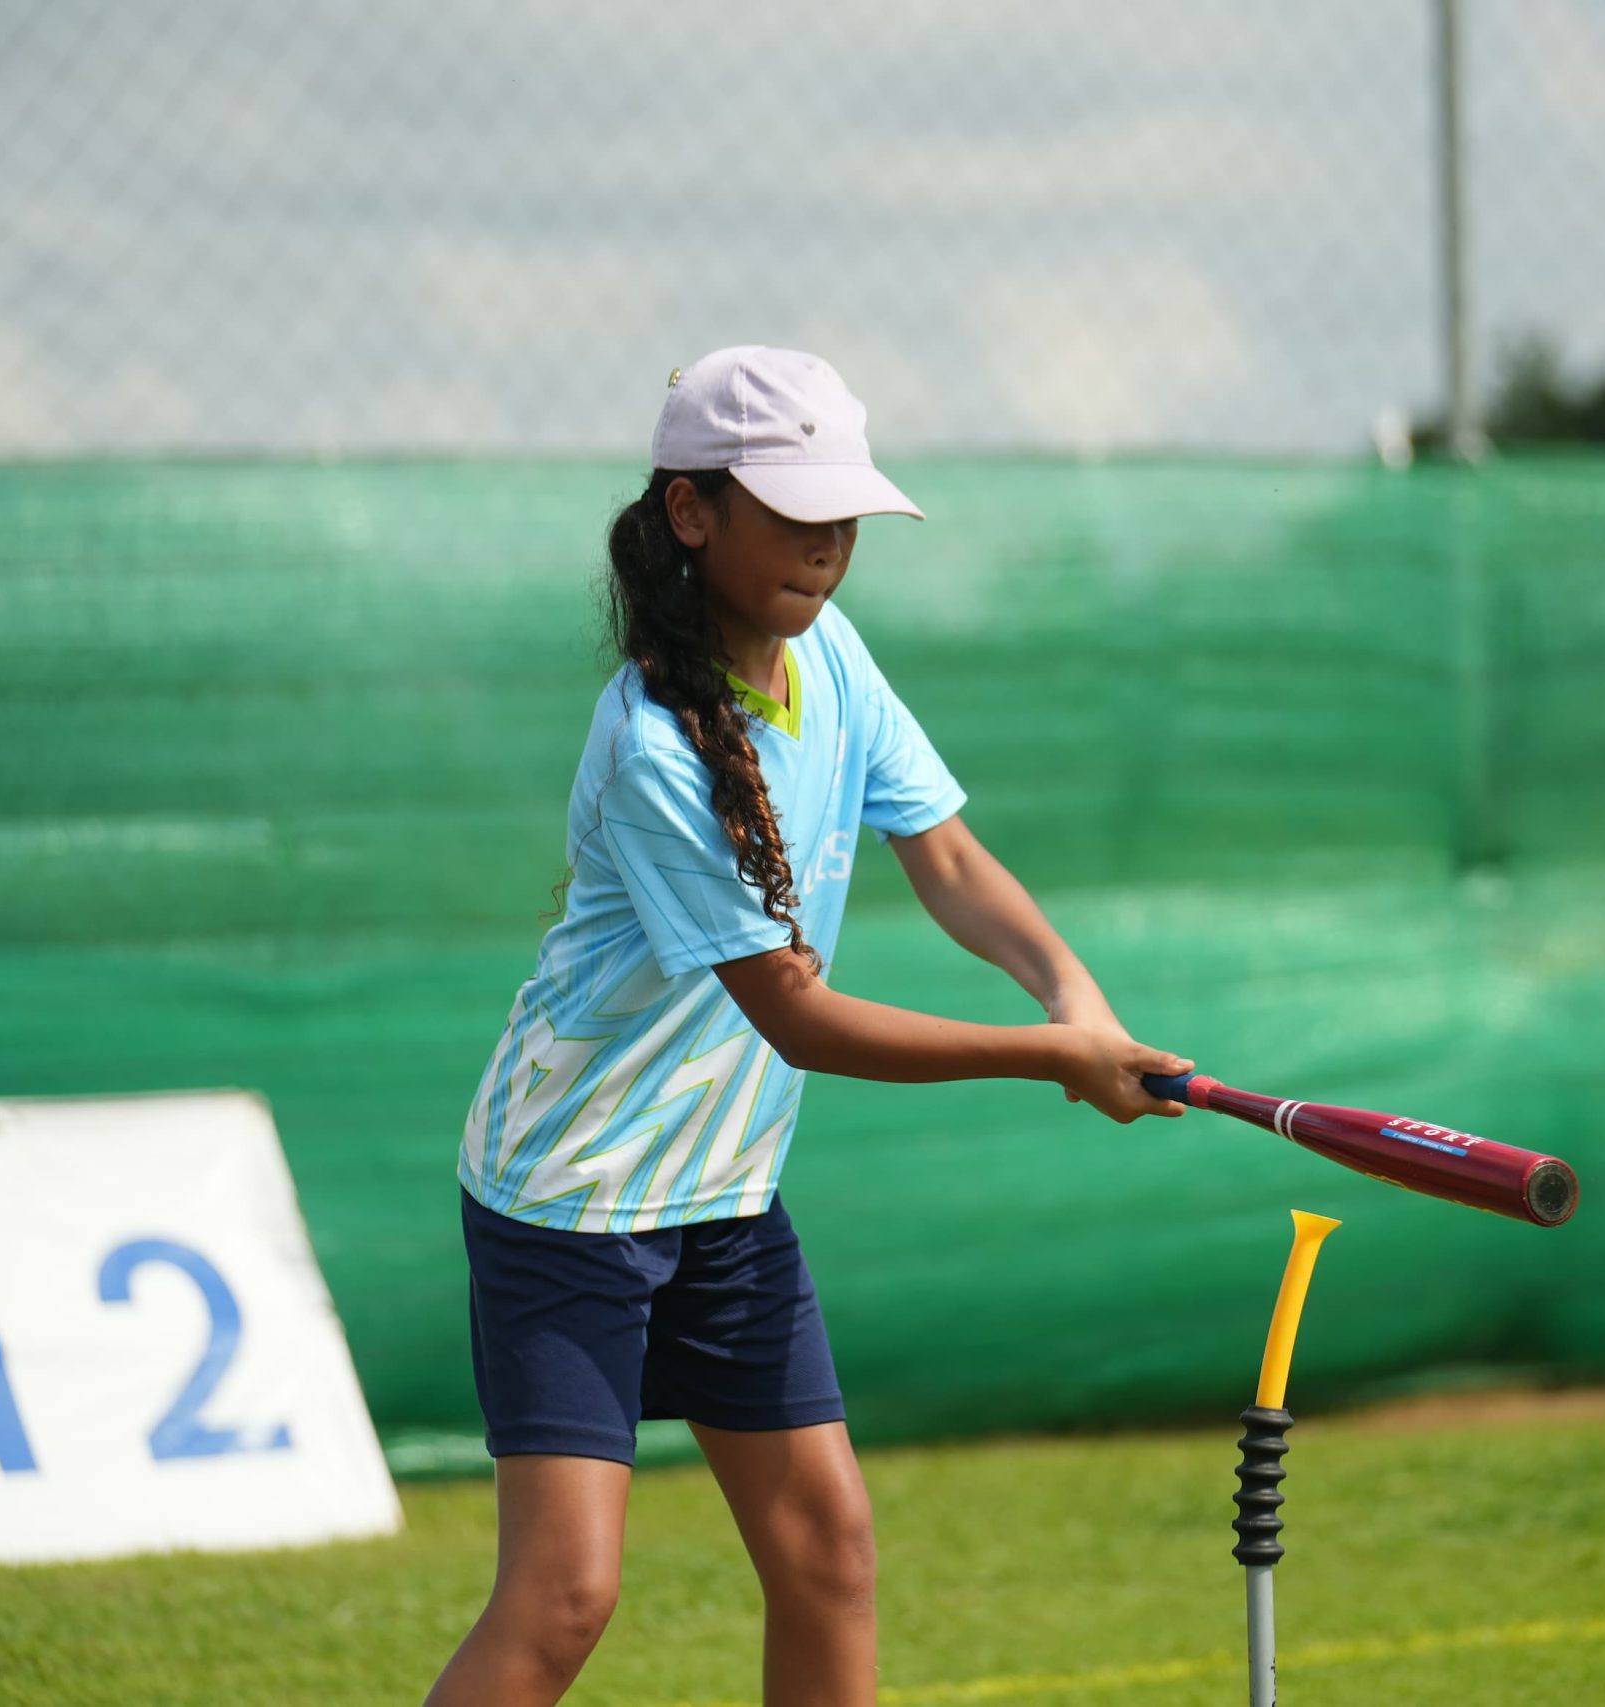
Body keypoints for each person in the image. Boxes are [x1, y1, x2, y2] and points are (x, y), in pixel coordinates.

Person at [428, 346, 1191, 1707]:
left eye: (844, 514)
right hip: (572, 1198)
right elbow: (798, 1019)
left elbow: (945, 858)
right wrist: (1053, 1059)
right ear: (690, 511)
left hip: (722, 1193)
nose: (828, 545)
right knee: (563, 1600)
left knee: (828, 1552)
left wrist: (1071, 993)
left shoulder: (830, 655)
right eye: (794, 513)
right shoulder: (654, 745)